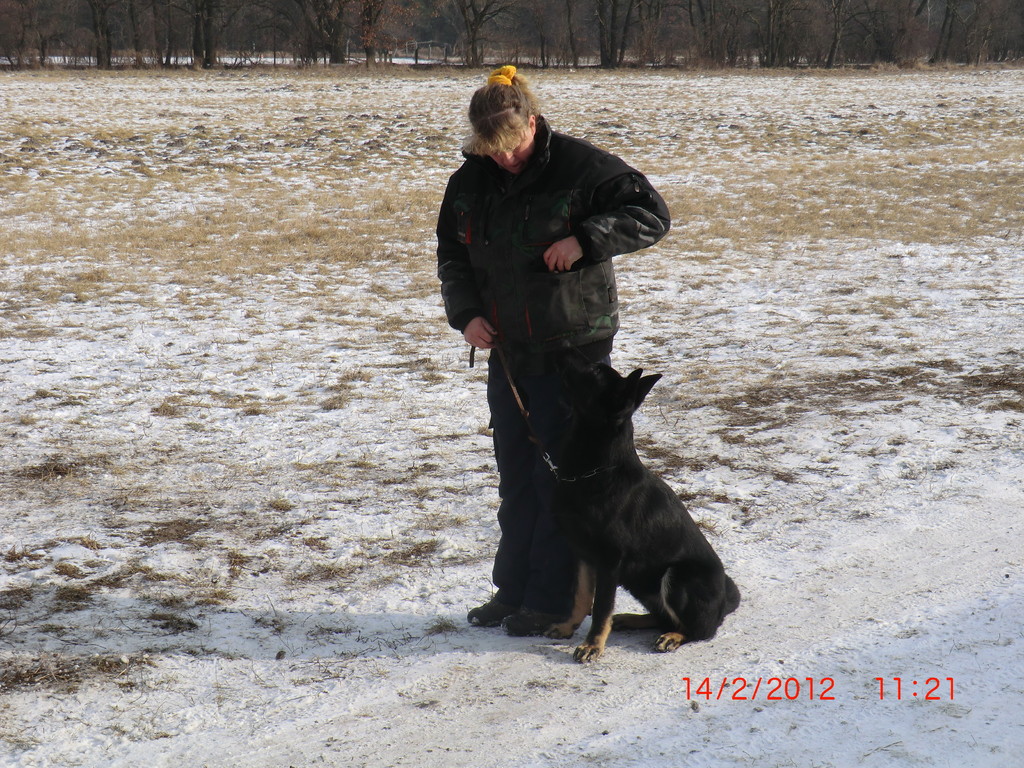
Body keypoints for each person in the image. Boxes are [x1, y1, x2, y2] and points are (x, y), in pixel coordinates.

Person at [436, 65, 670, 636]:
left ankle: (556, 600)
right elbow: (451, 254)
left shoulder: (583, 166)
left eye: (511, 148)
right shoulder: (470, 180)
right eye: (492, 152)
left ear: (532, 123)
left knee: (561, 479)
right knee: (516, 474)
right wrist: (465, 314)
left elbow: (652, 216)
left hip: (575, 349)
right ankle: (513, 589)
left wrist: (585, 239)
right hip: (511, 350)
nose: (505, 161)